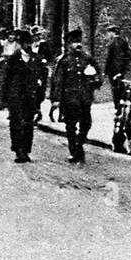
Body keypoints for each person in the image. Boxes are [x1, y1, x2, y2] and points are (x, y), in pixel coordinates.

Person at [50, 29, 101, 164]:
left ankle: (78, 146)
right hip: (70, 98)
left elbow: (98, 75)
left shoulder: (88, 59)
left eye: (79, 41)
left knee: (86, 124)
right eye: (74, 42)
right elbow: (58, 81)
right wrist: (56, 99)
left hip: (85, 97)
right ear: (69, 44)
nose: (78, 44)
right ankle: (74, 151)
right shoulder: (64, 61)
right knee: (71, 126)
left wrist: (95, 80)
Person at [0, 30, 41, 163]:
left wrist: (39, 97)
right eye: (25, 43)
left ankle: (26, 149)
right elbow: (5, 79)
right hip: (15, 96)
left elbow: (40, 78)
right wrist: (3, 98)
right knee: (16, 123)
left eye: (30, 43)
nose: (28, 45)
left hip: (30, 96)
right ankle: (18, 150)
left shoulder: (36, 59)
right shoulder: (13, 59)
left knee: (28, 124)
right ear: (21, 44)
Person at [104, 23, 131, 110]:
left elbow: (109, 58)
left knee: (114, 87)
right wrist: (125, 65)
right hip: (122, 69)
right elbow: (129, 55)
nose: (108, 35)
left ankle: (117, 105)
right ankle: (123, 101)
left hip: (113, 69)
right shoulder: (124, 41)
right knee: (121, 86)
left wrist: (105, 71)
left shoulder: (111, 44)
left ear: (112, 33)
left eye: (109, 33)